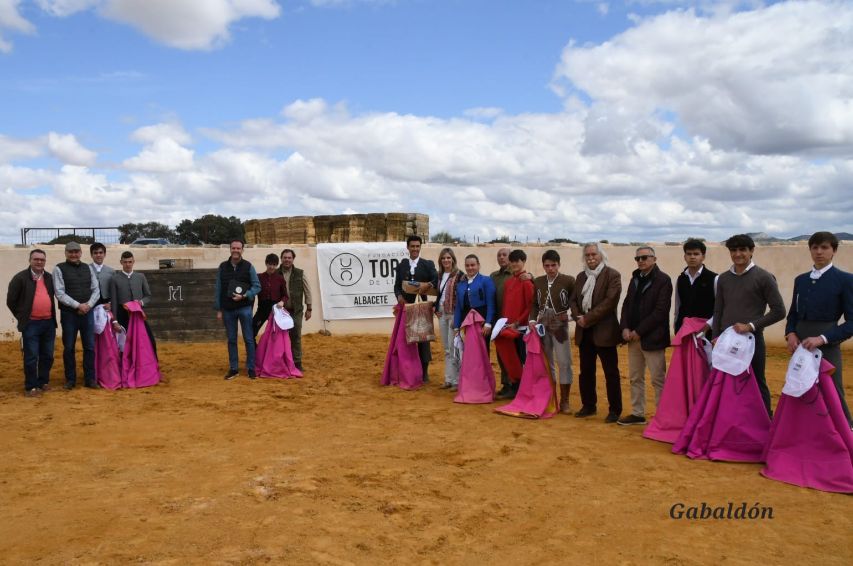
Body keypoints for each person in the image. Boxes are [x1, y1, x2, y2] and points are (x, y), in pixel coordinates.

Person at [784, 231, 853, 427]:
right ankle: (803, 432)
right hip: (800, 345)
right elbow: (793, 314)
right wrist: (790, 333)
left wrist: (822, 338)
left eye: (824, 247)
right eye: (815, 248)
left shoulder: (845, 280)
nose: (819, 252)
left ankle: (843, 433)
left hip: (827, 345)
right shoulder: (801, 280)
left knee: (831, 389)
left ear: (834, 251)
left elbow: (852, 322)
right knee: (800, 387)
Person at [713, 234, 786, 416]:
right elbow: (718, 310)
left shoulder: (764, 277)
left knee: (756, 382)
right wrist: (715, 336)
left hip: (752, 340)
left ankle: (765, 422)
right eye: (733, 250)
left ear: (752, 251)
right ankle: (731, 422)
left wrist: (751, 326)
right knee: (727, 383)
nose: (738, 254)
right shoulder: (723, 279)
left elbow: (779, 311)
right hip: (726, 341)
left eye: (742, 250)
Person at [617, 246, 673, 426]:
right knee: (635, 377)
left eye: (644, 258)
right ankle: (638, 413)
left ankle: (662, 417)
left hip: (652, 338)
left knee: (657, 379)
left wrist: (638, 331)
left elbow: (660, 312)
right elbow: (626, 305)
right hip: (633, 338)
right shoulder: (635, 278)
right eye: (638, 258)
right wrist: (625, 327)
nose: (640, 261)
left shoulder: (663, 280)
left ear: (654, 259)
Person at [570, 242, 623, 422]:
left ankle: (615, 410)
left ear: (601, 255)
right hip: (584, 331)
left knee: (611, 372)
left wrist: (587, 318)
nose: (591, 258)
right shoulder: (581, 277)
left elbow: (610, 302)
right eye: (587, 255)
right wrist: (578, 317)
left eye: (594, 254)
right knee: (586, 371)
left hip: (604, 332)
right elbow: (573, 300)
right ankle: (588, 405)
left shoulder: (612, 275)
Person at [528, 249, 576, 414]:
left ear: (559, 264)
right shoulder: (538, 281)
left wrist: (570, 316)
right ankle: (551, 397)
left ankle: (565, 400)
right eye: (547, 266)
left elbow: (575, 301)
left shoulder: (568, 280)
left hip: (559, 322)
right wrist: (532, 320)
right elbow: (534, 304)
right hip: (543, 322)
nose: (550, 269)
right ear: (543, 266)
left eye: (553, 265)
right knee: (546, 361)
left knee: (564, 361)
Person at [7, 249, 57, 397]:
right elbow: (11, 301)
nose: (39, 262)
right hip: (31, 324)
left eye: (42, 259)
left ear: (45, 261)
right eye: (36, 259)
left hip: (48, 323)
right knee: (31, 356)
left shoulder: (49, 278)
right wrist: (22, 317)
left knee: (47, 355)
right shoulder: (20, 278)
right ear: (30, 260)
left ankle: (43, 382)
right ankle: (31, 386)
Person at [53, 241, 100, 389]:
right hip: (69, 315)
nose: (73, 254)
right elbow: (59, 293)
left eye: (76, 251)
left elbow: (96, 289)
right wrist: (78, 305)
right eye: (70, 252)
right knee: (68, 348)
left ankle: (89, 379)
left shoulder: (88, 268)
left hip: (87, 313)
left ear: (80, 252)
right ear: (66, 253)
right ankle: (70, 380)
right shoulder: (59, 268)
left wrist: (88, 305)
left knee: (90, 347)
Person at [394, 235, 438, 382]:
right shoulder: (402, 265)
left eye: (417, 246)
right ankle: (408, 371)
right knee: (405, 339)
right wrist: (399, 297)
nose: (415, 249)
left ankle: (424, 372)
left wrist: (429, 285)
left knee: (423, 340)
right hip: (406, 306)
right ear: (408, 247)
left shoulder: (427, 264)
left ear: (420, 247)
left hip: (421, 307)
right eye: (412, 246)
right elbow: (397, 286)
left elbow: (436, 279)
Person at [215, 240, 261, 380]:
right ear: (230, 249)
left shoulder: (249, 266)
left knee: (249, 338)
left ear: (242, 250)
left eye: (238, 248)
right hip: (228, 309)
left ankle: (251, 368)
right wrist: (218, 309)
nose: (236, 250)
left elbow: (257, 286)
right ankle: (234, 368)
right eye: (233, 248)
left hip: (245, 308)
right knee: (231, 339)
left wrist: (245, 295)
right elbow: (218, 289)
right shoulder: (222, 267)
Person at [494, 249, 534, 398]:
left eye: (518, 261)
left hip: (521, 328)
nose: (515, 264)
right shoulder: (509, 282)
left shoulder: (527, 282)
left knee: (522, 360)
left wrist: (518, 322)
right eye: (513, 261)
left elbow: (530, 306)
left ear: (523, 262)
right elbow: (506, 305)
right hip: (509, 327)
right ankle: (515, 388)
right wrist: (505, 323)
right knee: (512, 359)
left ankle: (523, 390)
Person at [109, 251, 156, 354]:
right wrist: (115, 321)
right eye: (125, 262)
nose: (128, 264)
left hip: (137, 314)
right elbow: (114, 301)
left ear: (133, 262)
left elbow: (148, 296)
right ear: (121, 262)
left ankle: (149, 362)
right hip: (122, 314)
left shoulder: (140, 277)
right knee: (124, 344)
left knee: (149, 340)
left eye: (130, 262)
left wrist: (141, 302)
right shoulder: (115, 279)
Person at [434, 248, 464, 390]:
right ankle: (448, 379)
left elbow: (462, 297)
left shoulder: (460, 275)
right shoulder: (439, 275)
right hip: (442, 313)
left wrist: (458, 317)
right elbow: (439, 295)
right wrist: (436, 308)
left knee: (454, 348)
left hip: (453, 314)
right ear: (440, 260)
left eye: (448, 258)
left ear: (453, 259)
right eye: (443, 258)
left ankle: (456, 381)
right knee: (446, 348)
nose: (446, 260)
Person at [674, 238, 717, 334]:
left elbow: (719, 308)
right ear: (684, 257)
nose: (692, 257)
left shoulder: (714, 278)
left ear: (703, 257)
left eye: (696, 254)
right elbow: (678, 307)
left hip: (706, 333)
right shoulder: (681, 279)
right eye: (689, 254)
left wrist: (708, 325)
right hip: (684, 331)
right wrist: (677, 328)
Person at [279, 248, 312, 371]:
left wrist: (309, 308)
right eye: (285, 257)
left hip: (296, 310)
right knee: (281, 338)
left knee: (296, 336)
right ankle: (283, 361)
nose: (287, 260)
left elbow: (307, 291)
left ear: (293, 259)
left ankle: (297, 362)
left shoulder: (300, 273)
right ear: (281, 259)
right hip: (281, 312)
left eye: (289, 258)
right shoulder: (276, 273)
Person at [254, 253, 288, 338]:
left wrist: (282, 301)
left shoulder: (280, 278)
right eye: (270, 264)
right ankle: (254, 346)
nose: (272, 267)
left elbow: (285, 295)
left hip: (276, 310)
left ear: (277, 265)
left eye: (274, 265)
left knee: (275, 334)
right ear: (266, 263)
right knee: (252, 329)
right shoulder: (259, 277)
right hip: (262, 309)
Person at [89, 242, 114, 307]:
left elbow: (113, 289)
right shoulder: (86, 269)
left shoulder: (111, 271)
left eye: (100, 253)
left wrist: (110, 303)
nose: (98, 255)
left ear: (104, 254)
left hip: (106, 303)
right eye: (95, 253)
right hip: (90, 302)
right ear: (91, 255)